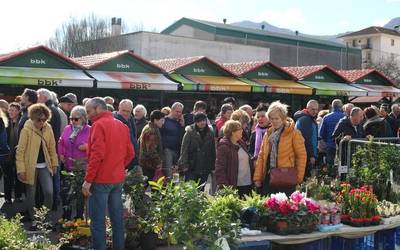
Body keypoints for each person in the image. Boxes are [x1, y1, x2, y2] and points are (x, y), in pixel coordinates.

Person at [82, 97, 134, 250]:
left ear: (98, 109)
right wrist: (117, 166)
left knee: (98, 222)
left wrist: (88, 180)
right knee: (117, 220)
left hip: (100, 180)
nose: (87, 115)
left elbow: (97, 155)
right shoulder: (122, 126)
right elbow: (130, 153)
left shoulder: (98, 125)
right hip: (117, 178)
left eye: (89, 111)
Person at [16, 104, 58, 228]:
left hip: (45, 165)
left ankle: (44, 218)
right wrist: (21, 169)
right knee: (31, 194)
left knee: (49, 192)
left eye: (44, 119)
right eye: (39, 120)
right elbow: (20, 151)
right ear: (33, 118)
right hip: (30, 166)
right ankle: (35, 220)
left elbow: (52, 148)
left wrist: (54, 164)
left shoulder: (48, 128)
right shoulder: (26, 129)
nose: (41, 122)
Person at [254, 101, 307, 195]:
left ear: (283, 118)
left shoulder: (294, 133)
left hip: (287, 178)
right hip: (269, 177)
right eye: (271, 118)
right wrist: (258, 177)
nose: (274, 121)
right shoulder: (268, 133)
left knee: (285, 207)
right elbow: (262, 156)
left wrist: (298, 178)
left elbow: (301, 156)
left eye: (276, 118)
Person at [58, 106, 90, 220]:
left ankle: (79, 217)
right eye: (71, 118)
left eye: (75, 119)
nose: (72, 121)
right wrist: (61, 153)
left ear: (83, 118)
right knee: (66, 192)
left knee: (80, 194)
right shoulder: (67, 128)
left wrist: (87, 147)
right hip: (68, 166)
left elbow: (97, 146)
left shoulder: (90, 130)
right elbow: (61, 142)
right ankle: (66, 216)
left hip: (82, 168)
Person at [215, 120, 253, 197]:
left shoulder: (241, 143)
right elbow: (220, 168)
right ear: (233, 132)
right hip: (234, 185)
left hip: (247, 183)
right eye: (239, 129)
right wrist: (224, 186)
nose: (242, 130)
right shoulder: (224, 146)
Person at [178, 112, 216, 187]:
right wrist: (184, 164)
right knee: (190, 189)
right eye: (200, 121)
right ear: (196, 122)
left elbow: (212, 150)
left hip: (205, 165)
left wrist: (213, 165)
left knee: (201, 188)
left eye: (204, 120)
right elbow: (184, 149)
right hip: (192, 165)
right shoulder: (190, 132)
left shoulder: (210, 132)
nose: (202, 122)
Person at [3, 103, 24, 204]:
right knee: (8, 176)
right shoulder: (5, 121)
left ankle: (18, 195)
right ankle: (7, 197)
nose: (11, 112)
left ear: (18, 111)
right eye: (10, 110)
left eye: (13, 110)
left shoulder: (22, 122)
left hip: (19, 153)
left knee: (18, 175)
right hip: (7, 153)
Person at [294, 100, 319, 178]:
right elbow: (307, 139)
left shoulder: (307, 118)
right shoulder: (306, 120)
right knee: (305, 179)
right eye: (312, 109)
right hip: (305, 155)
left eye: (316, 109)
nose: (315, 111)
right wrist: (311, 155)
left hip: (303, 153)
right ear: (307, 108)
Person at [160, 102, 185, 178]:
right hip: (167, 150)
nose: (178, 114)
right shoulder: (164, 120)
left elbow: (182, 137)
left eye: (180, 112)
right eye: (177, 111)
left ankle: (174, 189)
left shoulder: (179, 122)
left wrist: (182, 125)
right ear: (172, 110)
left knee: (176, 175)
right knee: (169, 175)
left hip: (177, 151)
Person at [139, 110, 165, 182]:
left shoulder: (150, 127)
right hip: (149, 164)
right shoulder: (151, 131)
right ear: (155, 120)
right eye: (162, 120)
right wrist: (158, 162)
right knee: (149, 185)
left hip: (147, 163)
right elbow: (151, 150)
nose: (163, 123)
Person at [113, 99, 139, 171]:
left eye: (128, 111)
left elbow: (134, 136)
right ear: (119, 108)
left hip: (131, 157)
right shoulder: (114, 120)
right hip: (121, 159)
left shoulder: (131, 119)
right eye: (123, 110)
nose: (125, 113)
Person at [319, 99, 345, 166]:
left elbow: (321, 133)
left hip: (330, 145)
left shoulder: (326, 117)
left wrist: (327, 141)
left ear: (332, 106)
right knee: (342, 165)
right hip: (342, 145)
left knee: (330, 166)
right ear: (341, 106)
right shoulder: (344, 117)